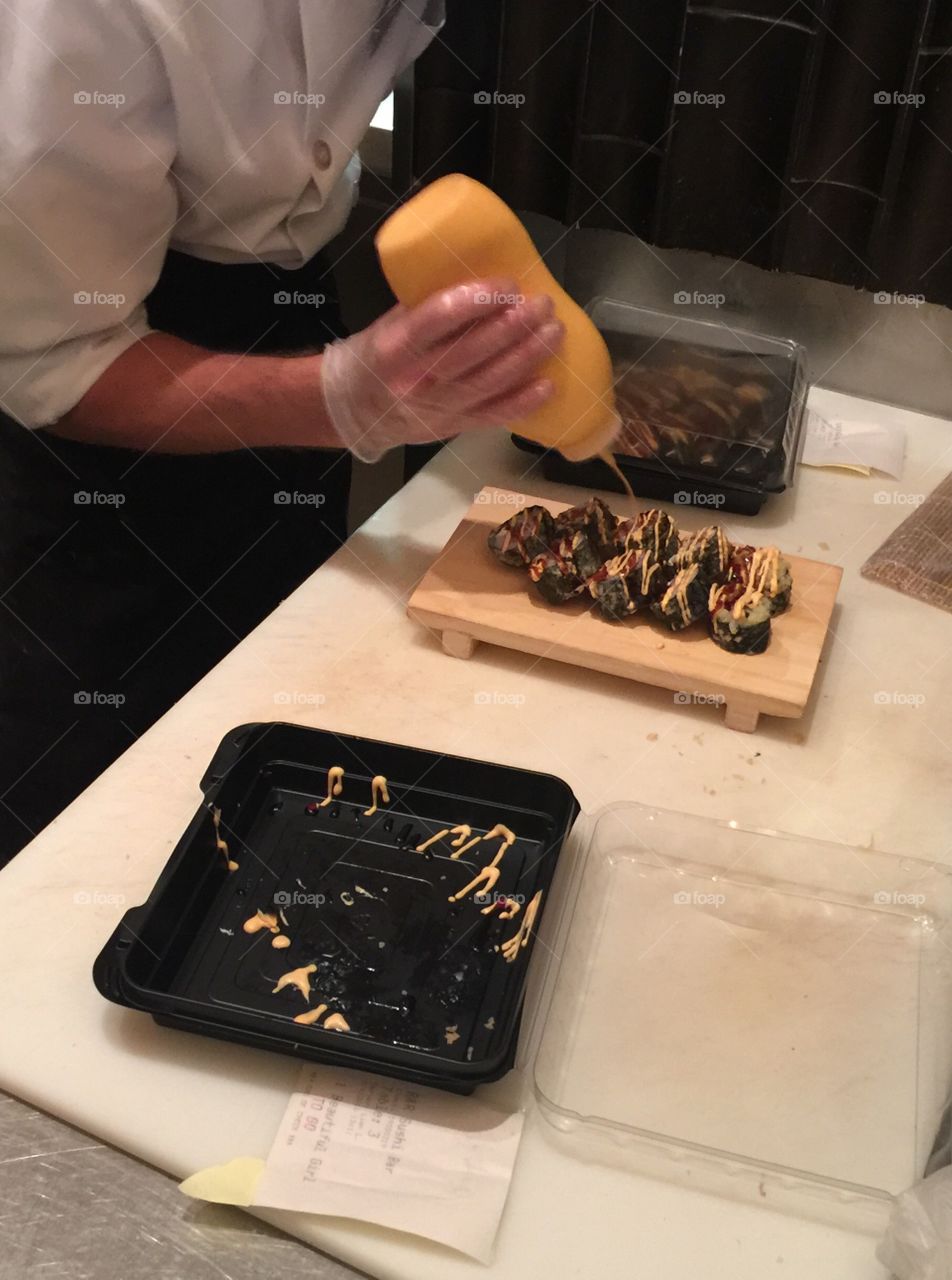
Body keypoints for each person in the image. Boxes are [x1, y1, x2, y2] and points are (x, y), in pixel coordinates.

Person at [0, 2, 565, 865]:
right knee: (87, 824)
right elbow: (53, 363)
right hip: (84, 427)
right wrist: (339, 398)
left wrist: (343, 397)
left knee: (272, 753)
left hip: (268, 313)